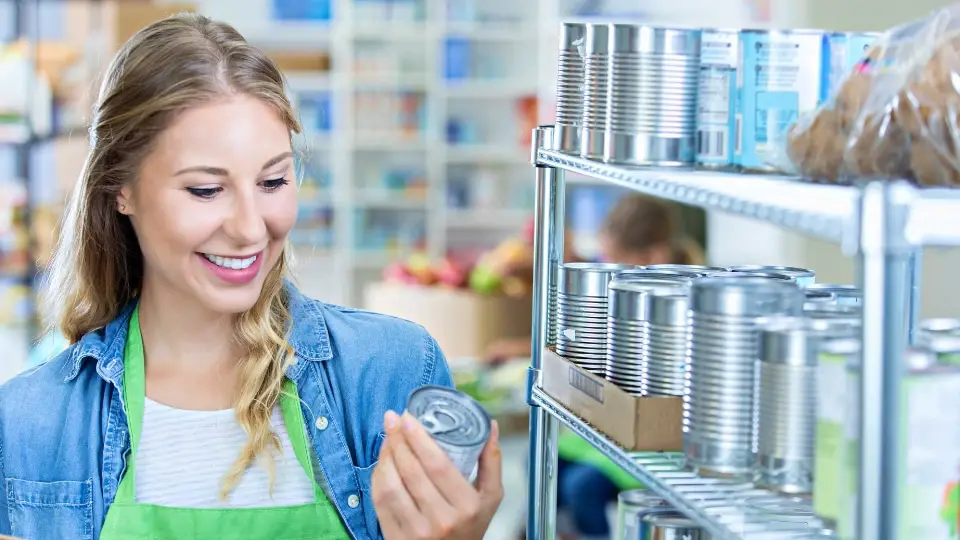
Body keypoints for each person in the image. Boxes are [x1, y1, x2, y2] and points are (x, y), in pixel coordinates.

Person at [0, 14, 502, 540]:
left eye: (273, 180)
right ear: (120, 189)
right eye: (205, 190)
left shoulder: (388, 374)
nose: (250, 228)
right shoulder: (31, 424)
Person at [493, 194, 704, 540]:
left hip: (648, 439)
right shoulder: (618, 277)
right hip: (603, 428)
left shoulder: (673, 305)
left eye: (615, 259)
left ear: (655, 257)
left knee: (582, 488)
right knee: (538, 463)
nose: (606, 266)